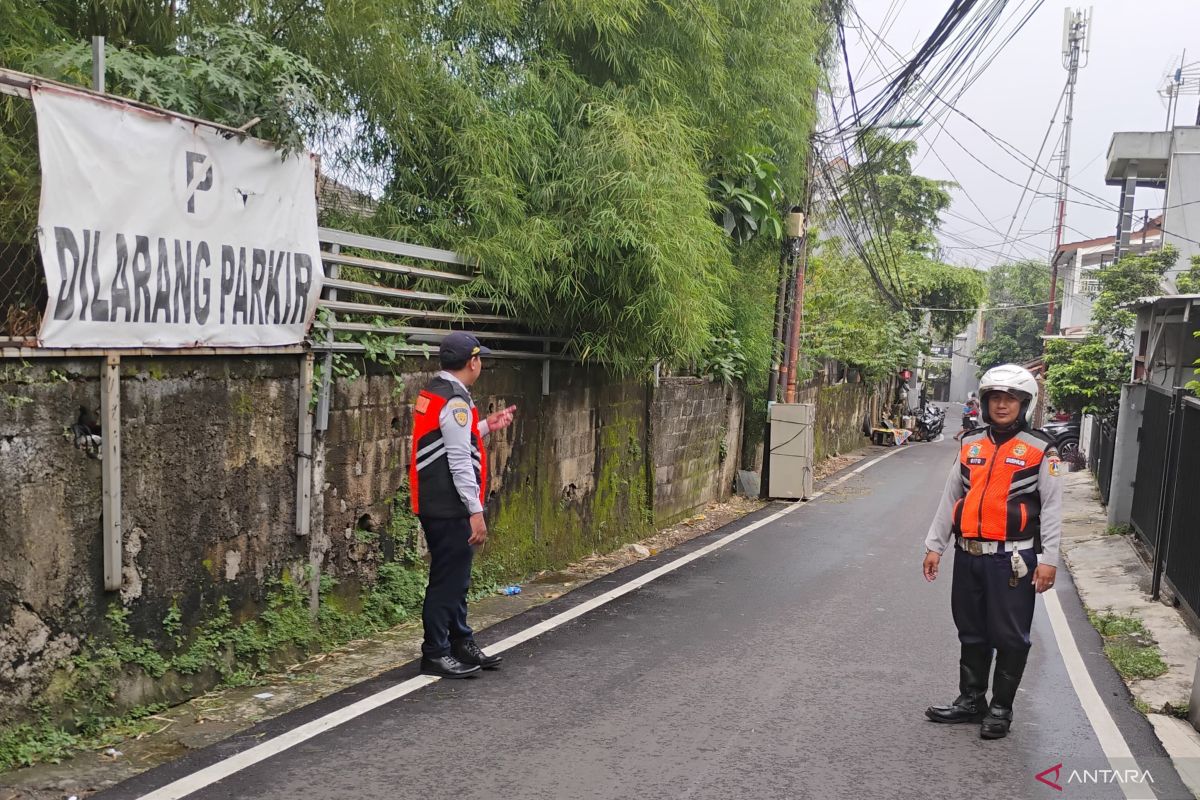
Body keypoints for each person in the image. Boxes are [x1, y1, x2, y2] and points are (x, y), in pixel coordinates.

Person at [921, 364, 1062, 739]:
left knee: (1010, 635)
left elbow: (1052, 507)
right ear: (985, 403)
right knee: (971, 630)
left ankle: (1001, 708)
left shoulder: (1041, 450)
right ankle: (971, 701)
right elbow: (951, 496)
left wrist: (1049, 560)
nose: (1002, 405)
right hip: (968, 555)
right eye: (995, 398)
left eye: (1010, 399)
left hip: (1012, 559)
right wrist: (935, 546)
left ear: (1024, 405)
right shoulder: (970, 444)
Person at [409, 332, 517, 678]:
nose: (480, 363)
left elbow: (446, 440)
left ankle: (460, 642)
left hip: (435, 501)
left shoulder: (437, 392)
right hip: (448, 504)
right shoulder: (454, 401)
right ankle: (435, 652)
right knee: (448, 580)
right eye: (479, 358)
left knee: (456, 577)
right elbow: (458, 459)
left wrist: (485, 426)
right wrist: (475, 511)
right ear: (472, 362)